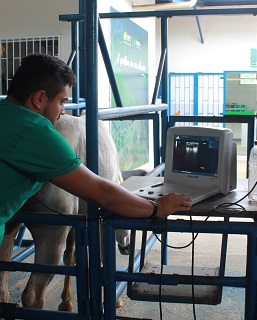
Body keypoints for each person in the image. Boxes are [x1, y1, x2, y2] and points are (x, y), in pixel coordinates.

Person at [0, 53, 192, 245]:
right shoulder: (34, 132)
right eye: (62, 101)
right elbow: (103, 193)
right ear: (39, 98)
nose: (63, 111)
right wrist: (157, 207)